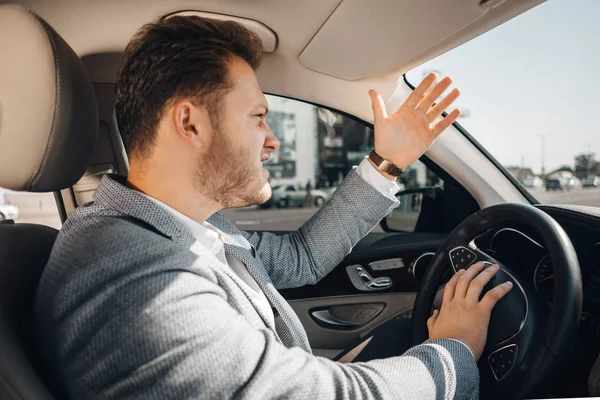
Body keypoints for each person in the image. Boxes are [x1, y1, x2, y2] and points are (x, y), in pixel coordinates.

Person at [34, 16, 512, 400]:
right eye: (258, 118)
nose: (273, 142)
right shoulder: (137, 279)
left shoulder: (184, 227)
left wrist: (387, 163)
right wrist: (455, 350)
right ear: (190, 123)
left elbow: (302, 257)